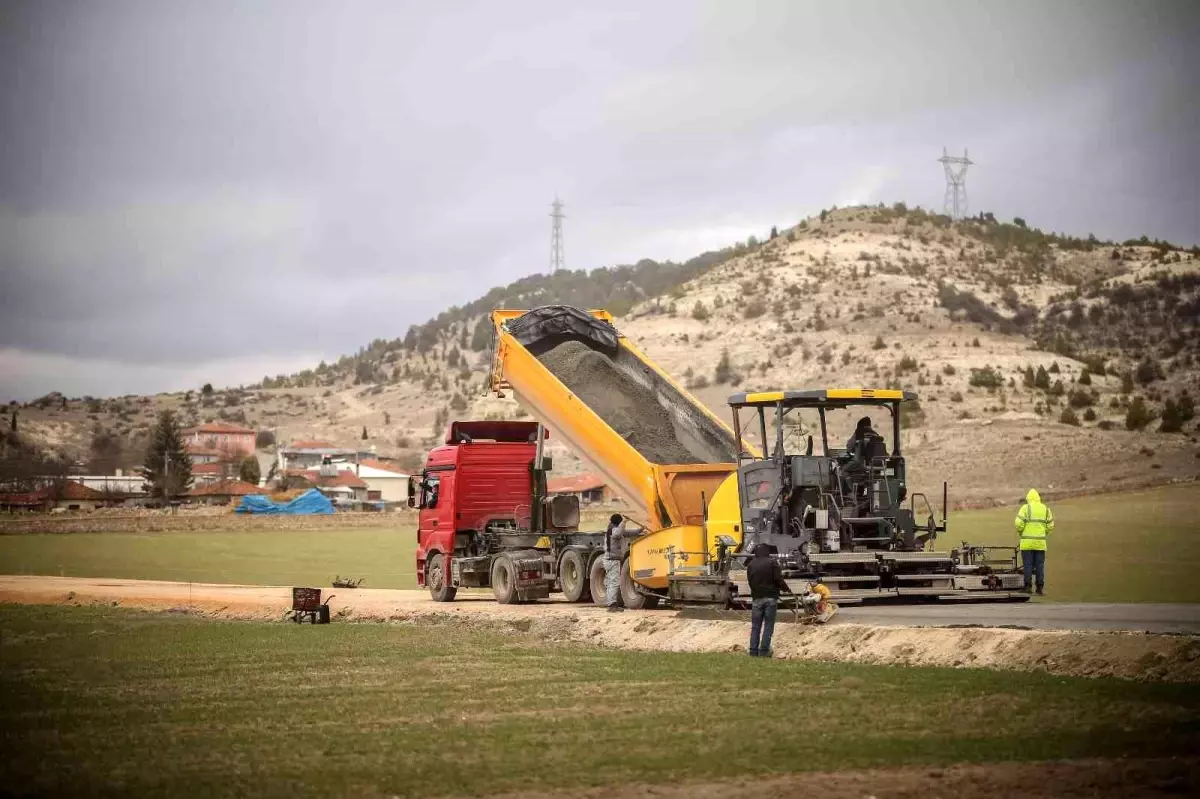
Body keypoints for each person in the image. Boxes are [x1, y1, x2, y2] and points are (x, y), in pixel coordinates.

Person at [746, 543, 790, 657]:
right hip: (770, 598)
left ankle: (753, 651)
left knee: (755, 626)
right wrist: (786, 589)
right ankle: (764, 651)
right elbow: (778, 579)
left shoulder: (751, 564)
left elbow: (750, 581)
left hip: (756, 599)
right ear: (767, 551)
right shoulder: (772, 562)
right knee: (768, 626)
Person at [1015, 488, 1055, 595]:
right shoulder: (1045, 509)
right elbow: (1050, 525)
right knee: (1039, 566)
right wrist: (1043, 533)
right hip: (1040, 543)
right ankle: (1040, 588)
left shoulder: (1025, 508)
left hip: (1027, 543)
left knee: (1027, 565)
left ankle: (1028, 587)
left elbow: (1018, 523)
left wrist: (1021, 532)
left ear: (1028, 498)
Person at [603, 513, 626, 612]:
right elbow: (618, 533)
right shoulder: (613, 530)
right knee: (614, 583)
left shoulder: (611, 529)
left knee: (610, 582)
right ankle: (612, 605)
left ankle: (610, 603)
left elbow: (626, 532)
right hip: (612, 560)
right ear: (619, 522)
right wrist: (624, 522)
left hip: (609, 560)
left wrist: (640, 530)